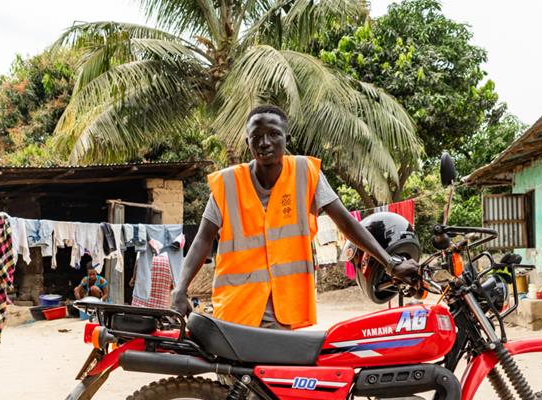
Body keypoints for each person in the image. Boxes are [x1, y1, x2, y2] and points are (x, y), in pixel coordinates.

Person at [171, 104, 418, 328]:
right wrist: (180, 290)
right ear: (248, 142)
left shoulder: (306, 173)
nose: (264, 142)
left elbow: (345, 222)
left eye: (273, 134)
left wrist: (389, 262)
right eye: (256, 137)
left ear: (286, 138)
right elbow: (203, 239)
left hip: (286, 310)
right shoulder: (227, 184)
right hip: (237, 310)